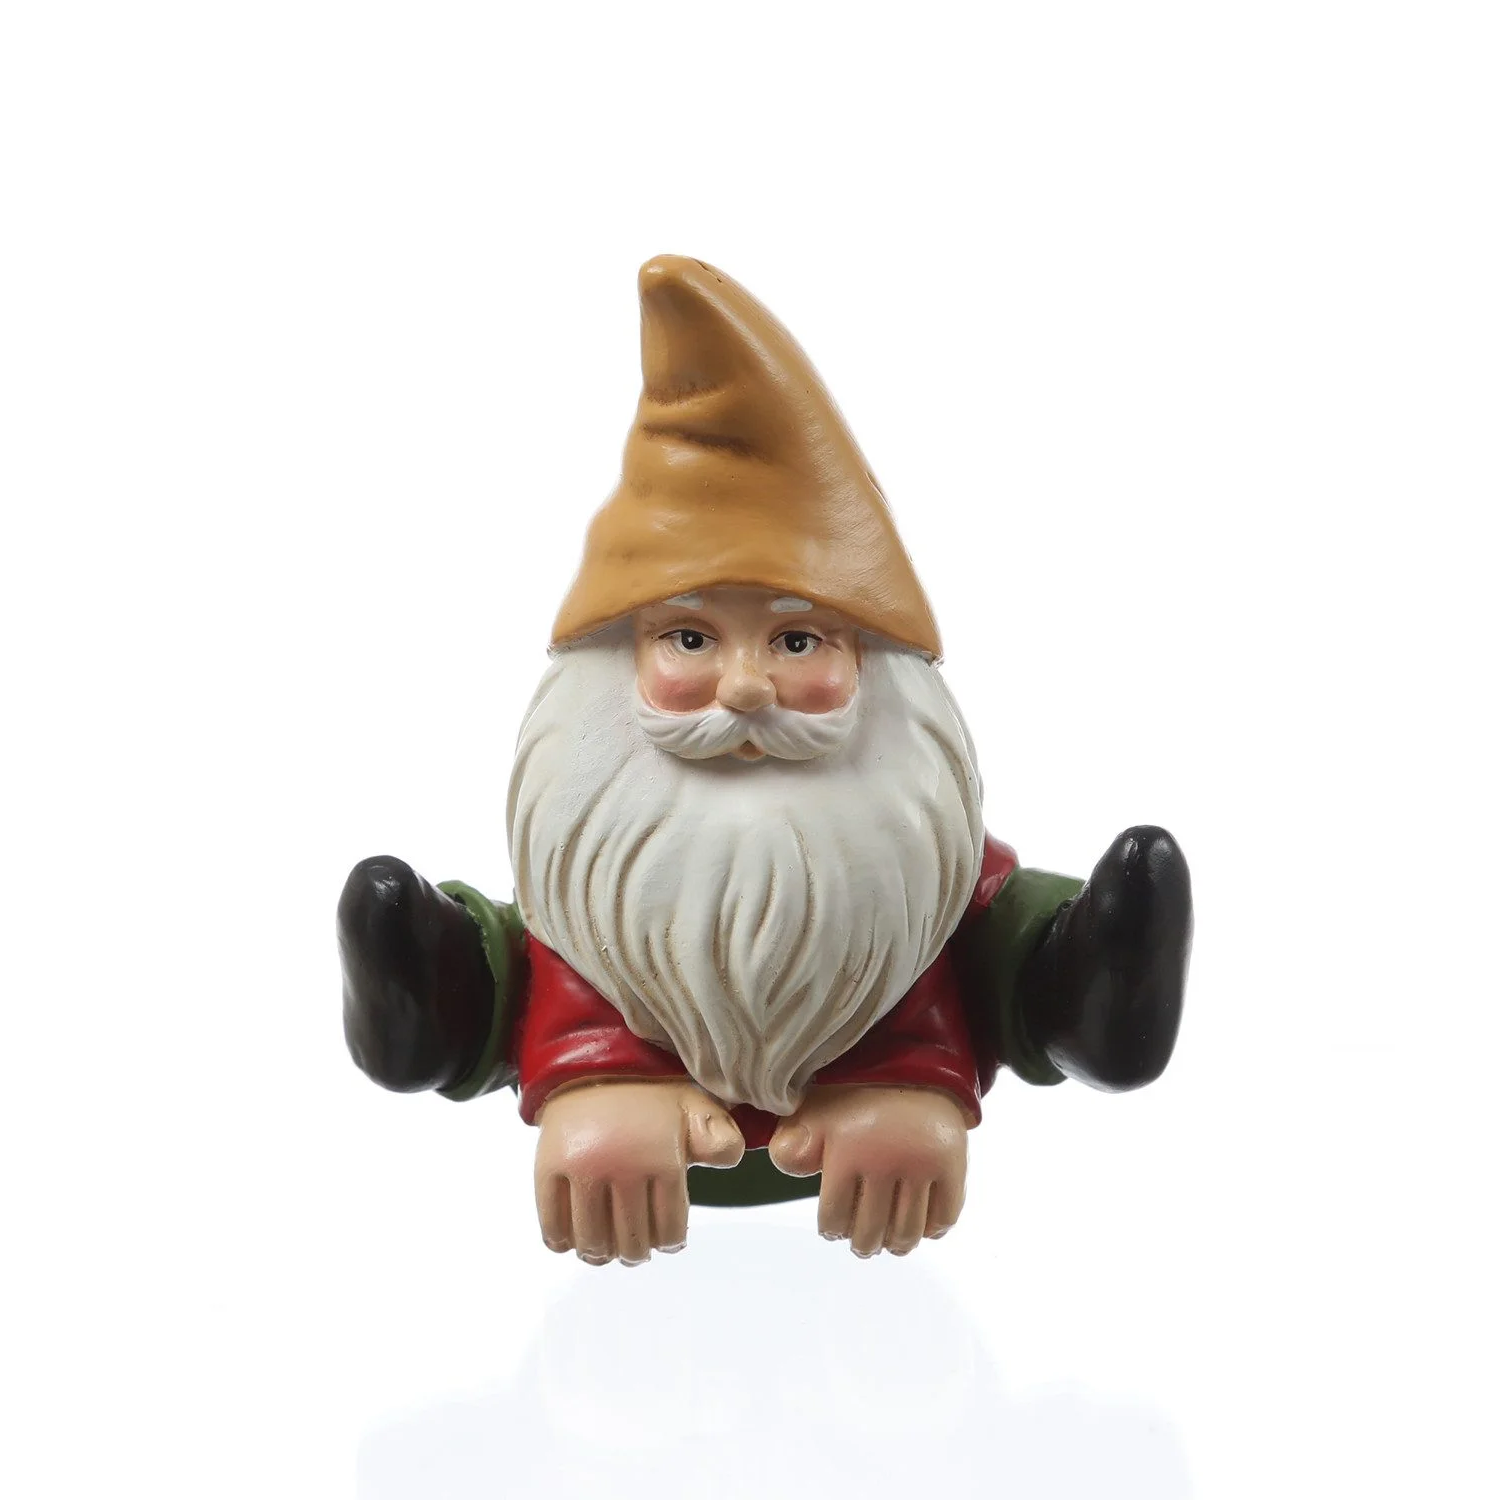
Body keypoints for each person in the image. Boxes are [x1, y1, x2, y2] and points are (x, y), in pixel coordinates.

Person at [338, 256, 1192, 1265]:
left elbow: (991, 931)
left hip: (873, 1183)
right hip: (633, 1192)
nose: (745, 688)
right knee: (475, 963)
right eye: (690, 639)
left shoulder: (918, 851)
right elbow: (538, 948)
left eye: (796, 641)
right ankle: (430, 1010)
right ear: (621, 659)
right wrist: (555, 1060)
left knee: (1023, 951)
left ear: (870, 665)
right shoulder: (592, 858)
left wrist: (1021, 1023)